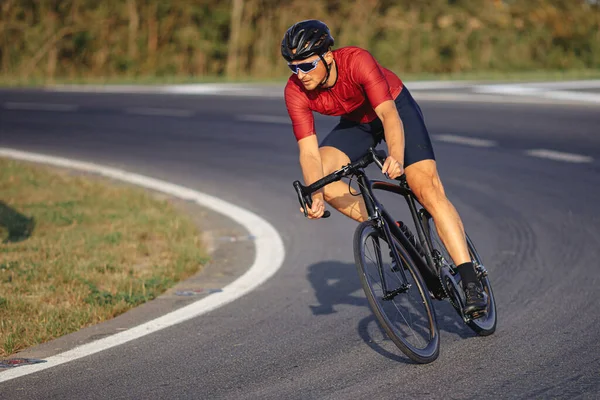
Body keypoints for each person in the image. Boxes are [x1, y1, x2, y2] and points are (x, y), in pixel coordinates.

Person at [281, 19, 487, 317]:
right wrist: (315, 194)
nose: (300, 75)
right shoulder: (295, 91)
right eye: (293, 67)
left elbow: (389, 115)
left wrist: (396, 156)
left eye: (307, 66)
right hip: (356, 123)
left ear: (328, 56)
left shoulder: (356, 61)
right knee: (321, 179)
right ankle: (392, 230)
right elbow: (309, 154)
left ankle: (470, 281)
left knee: (425, 187)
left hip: (393, 107)